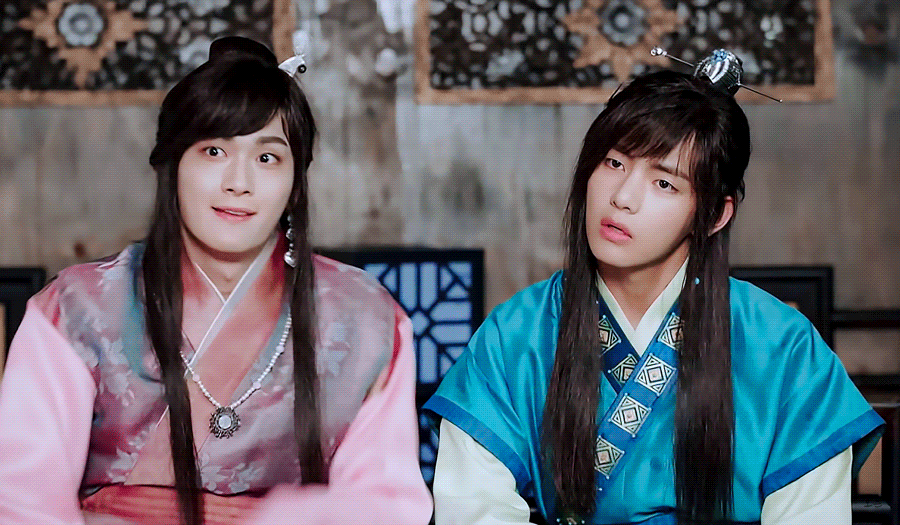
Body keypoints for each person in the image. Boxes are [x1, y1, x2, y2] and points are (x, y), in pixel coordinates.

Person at [0, 36, 431, 525]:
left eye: (267, 158)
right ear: (172, 165)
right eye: (213, 151)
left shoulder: (365, 319)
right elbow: (21, 502)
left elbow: (383, 506)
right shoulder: (77, 309)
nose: (238, 182)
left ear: (295, 182)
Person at [424, 69, 884, 525]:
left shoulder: (785, 349)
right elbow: (473, 508)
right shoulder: (514, 336)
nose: (623, 197)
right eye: (614, 163)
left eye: (664, 183)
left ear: (714, 215)